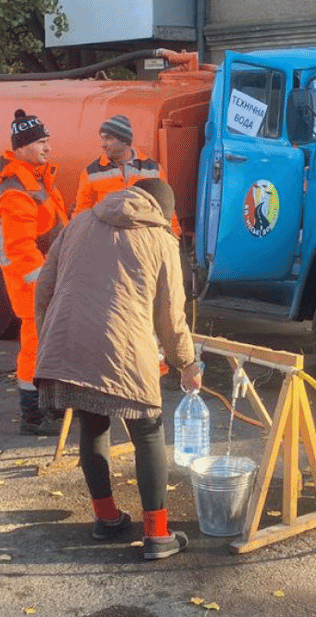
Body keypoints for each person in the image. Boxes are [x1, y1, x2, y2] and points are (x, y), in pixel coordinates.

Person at [35, 178, 202, 561]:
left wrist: (52, 342)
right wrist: (187, 363)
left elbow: (43, 287)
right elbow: (170, 317)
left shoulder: (78, 222)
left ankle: (107, 518)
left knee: (92, 424)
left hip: (68, 344)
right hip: (122, 350)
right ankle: (158, 535)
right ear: (162, 211)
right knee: (147, 430)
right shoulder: (161, 240)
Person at [0, 109, 71, 435]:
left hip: (46, 281)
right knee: (34, 349)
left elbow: (56, 228)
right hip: (34, 286)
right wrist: (49, 282)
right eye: (41, 142)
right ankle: (33, 417)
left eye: (48, 141)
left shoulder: (36, 180)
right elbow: (21, 250)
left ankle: (50, 407)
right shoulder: (16, 189)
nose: (48, 148)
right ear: (21, 147)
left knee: (49, 346)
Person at [74, 114, 182, 236]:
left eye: (108, 138)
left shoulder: (153, 170)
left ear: (125, 140)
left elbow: (166, 208)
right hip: (108, 244)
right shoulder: (91, 173)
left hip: (144, 243)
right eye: (102, 138)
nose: (103, 144)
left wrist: (174, 236)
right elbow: (81, 213)